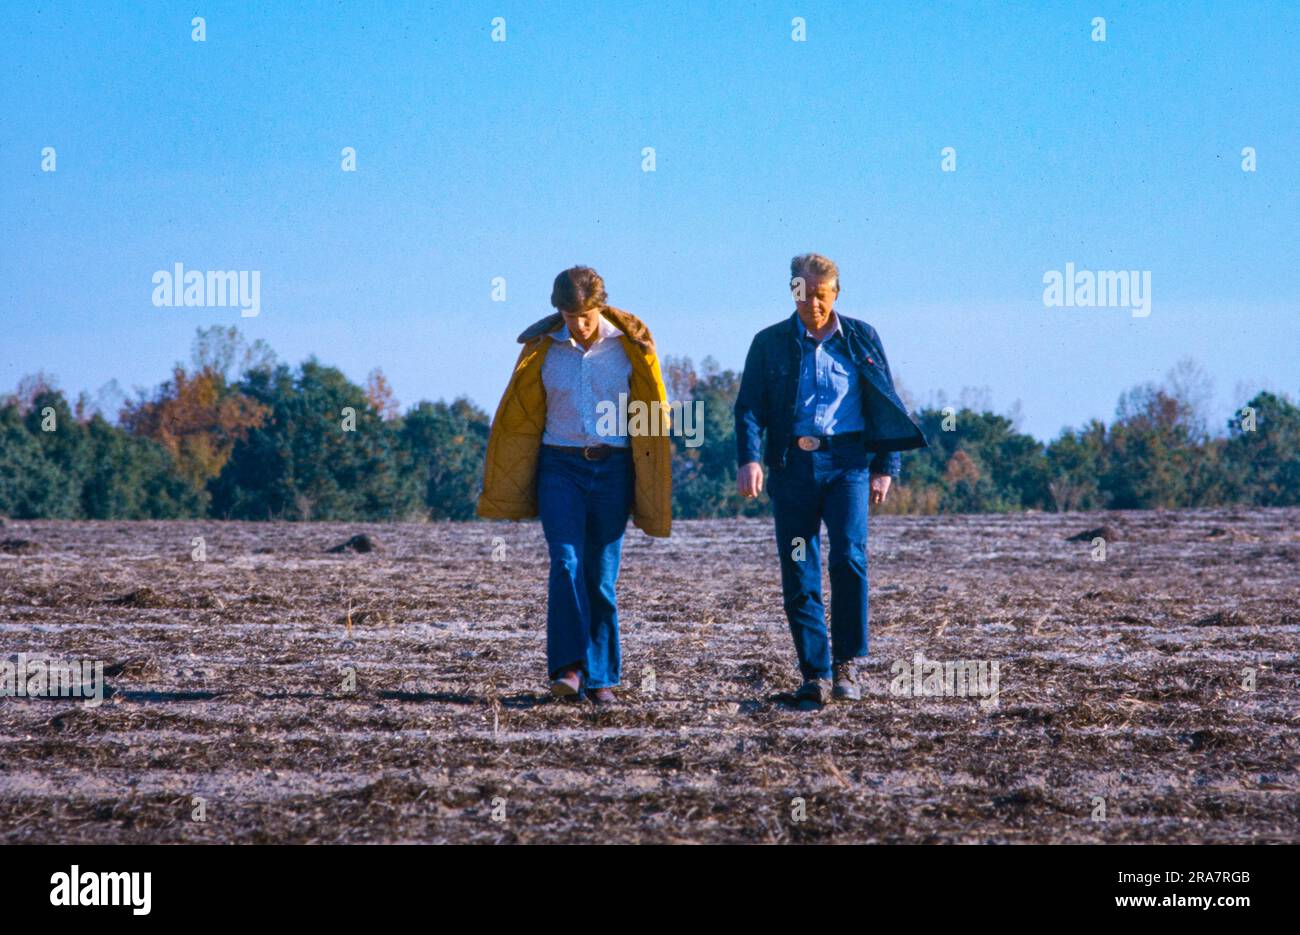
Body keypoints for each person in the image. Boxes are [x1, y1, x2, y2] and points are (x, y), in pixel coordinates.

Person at [734, 253, 928, 708]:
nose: (814, 304)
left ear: (835, 294)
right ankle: (814, 673)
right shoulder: (769, 343)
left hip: (848, 466)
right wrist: (749, 459)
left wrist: (886, 467)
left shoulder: (862, 337)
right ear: (793, 292)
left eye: (822, 295)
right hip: (792, 469)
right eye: (805, 294)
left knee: (848, 556)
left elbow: (884, 399)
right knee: (799, 568)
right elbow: (748, 408)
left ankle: (847, 665)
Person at [477, 266, 672, 705]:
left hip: (614, 468)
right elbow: (523, 413)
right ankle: (568, 669)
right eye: (569, 316)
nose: (577, 325)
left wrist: (648, 470)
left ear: (599, 307)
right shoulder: (542, 350)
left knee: (601, 577)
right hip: (559, 466)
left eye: (584, 315)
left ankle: (601, 679)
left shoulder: (629, 347)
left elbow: (649, 411)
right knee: (565, 562)